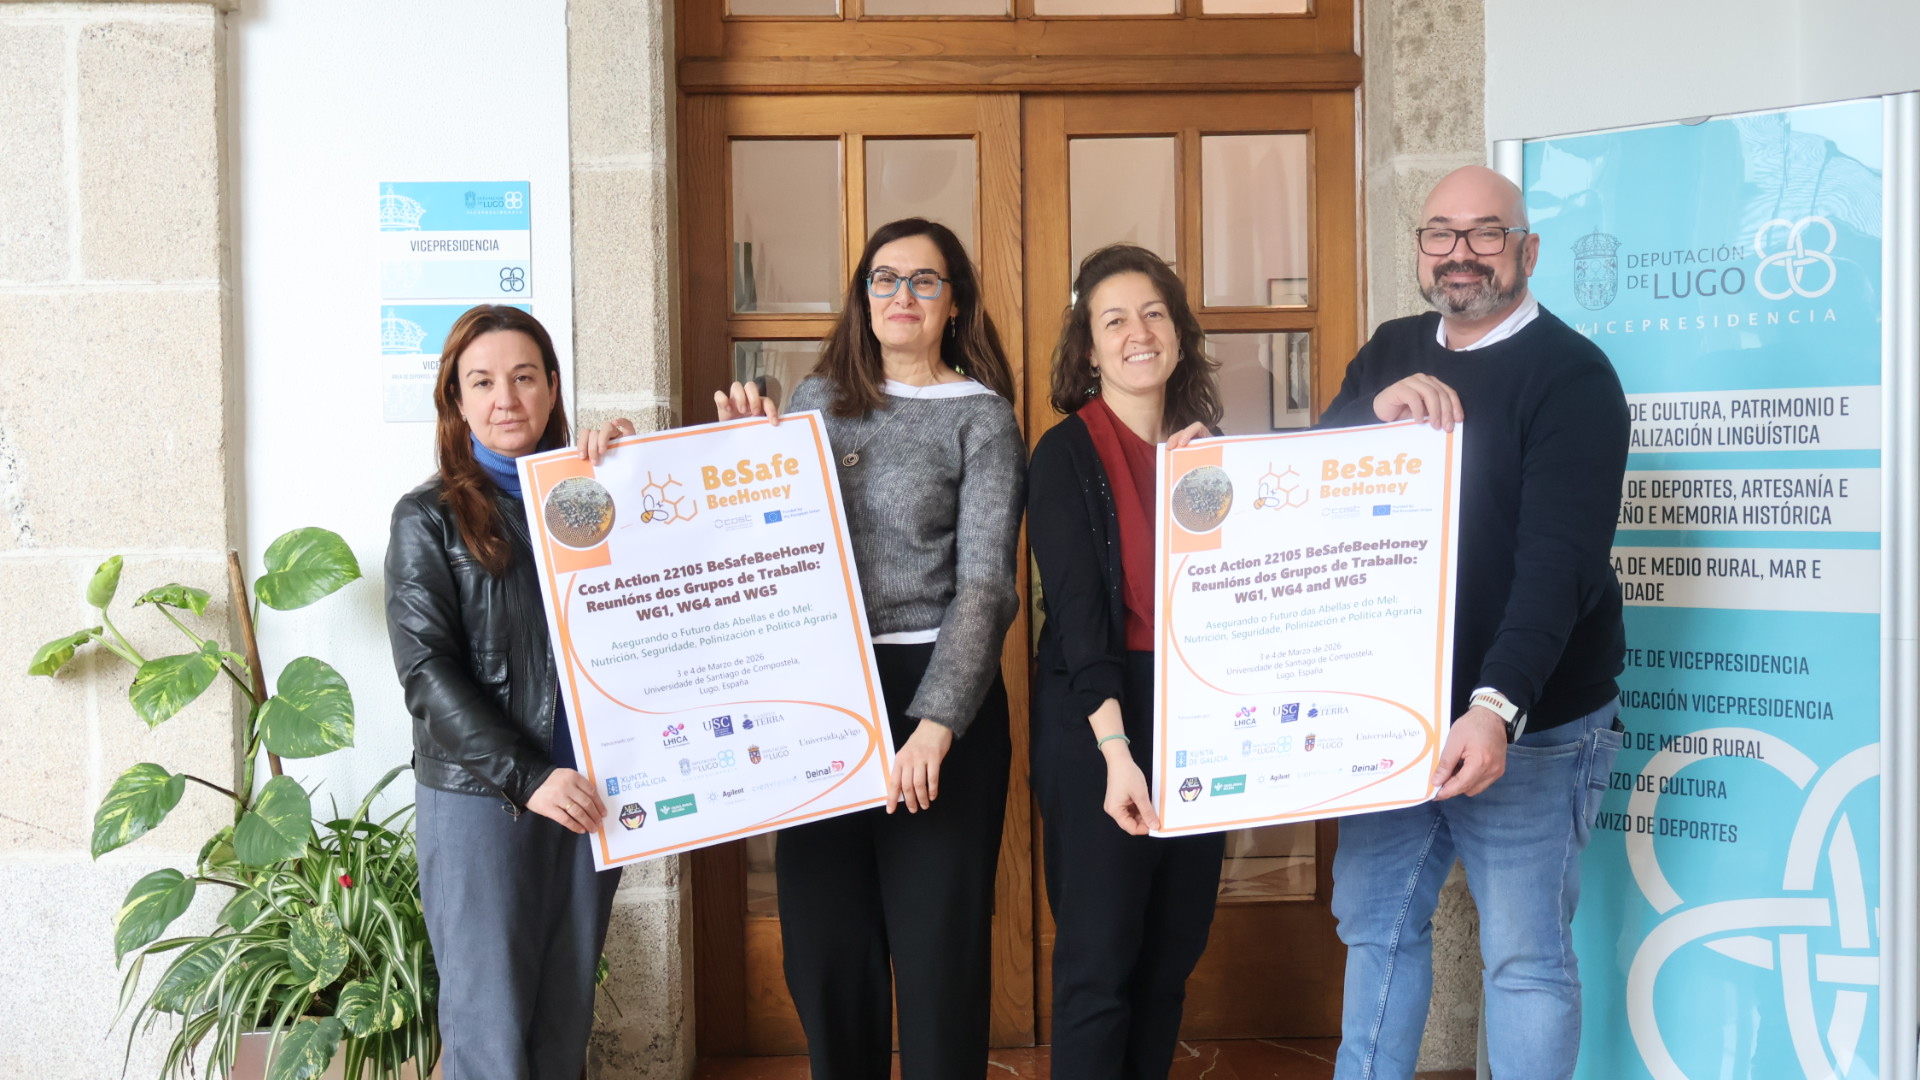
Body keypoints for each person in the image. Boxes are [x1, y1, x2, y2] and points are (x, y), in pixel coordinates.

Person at [1316, 166, 1629, 1080]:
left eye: (1487, 233)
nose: (1461, 253)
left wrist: (1496, 707)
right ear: (1420, 248)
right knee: (1375, 930)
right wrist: (1367, 415)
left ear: (1528, 250)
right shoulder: (1390, 350)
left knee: (1525, 960)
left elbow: (1557, 568)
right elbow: (1316, 490)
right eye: (1440, 233)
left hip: (1531, 722)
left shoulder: (1572, 376)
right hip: (1395, 717)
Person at [716, 218, 1025, 1080]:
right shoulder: (814, 403)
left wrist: (935, 724)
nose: (902, 296)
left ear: (954, 303)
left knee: (937, 962)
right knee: (826, 954)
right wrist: (738, 458)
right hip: (823, 694)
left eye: (925, 281)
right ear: (863, 297)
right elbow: (762, 550)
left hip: (936, 696)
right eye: (884, 279)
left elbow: (987, 586)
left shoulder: (983, 418)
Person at [384, 304, 634, 1080]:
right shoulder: (427, 519)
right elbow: (427, 675)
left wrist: (632, 473)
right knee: (489, 1034)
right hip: (485, 799)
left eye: (524, 378)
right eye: (483, 382)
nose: (506, 399)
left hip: (592, 795)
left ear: (552, 387)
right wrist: (530, 778)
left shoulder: (588, 496)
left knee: (563, 1028)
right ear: (457, 400)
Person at [1025, 244, 1227, 1080]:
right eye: (1114, 321)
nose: (1137, 333)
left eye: (1153, 314)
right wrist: (1117, 754)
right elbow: (1078, 622)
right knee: (1099, 964)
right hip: (1099, 719)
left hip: (1198, 715)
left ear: (1178, 334)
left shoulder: (1214, 458)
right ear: (1089, 349)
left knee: (1171, 955)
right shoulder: (1064, 454)